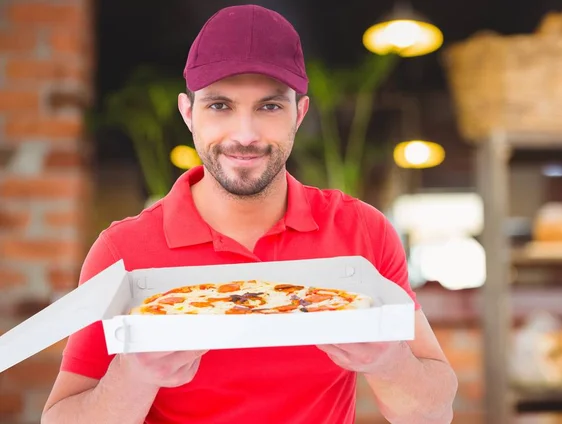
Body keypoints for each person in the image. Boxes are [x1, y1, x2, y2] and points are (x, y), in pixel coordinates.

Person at [41, 4, 457, 424]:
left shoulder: (362, 232)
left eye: (269, 107)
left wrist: (388, 362)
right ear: (188, 113)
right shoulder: (122, 250)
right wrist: (132, 377)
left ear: (301, 113)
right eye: (220, 106)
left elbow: (433, 412)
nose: (245, 135)